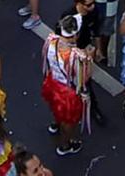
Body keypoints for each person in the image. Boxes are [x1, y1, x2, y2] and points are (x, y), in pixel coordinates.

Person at [40, 14, 89, 158]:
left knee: (55, 107)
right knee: (68, 120)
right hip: (67, 92)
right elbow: (83, 79)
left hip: (53, 82)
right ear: (74, 36)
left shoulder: (51, 41)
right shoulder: (76, 56)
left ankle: (55, 123)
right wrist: (88, 60)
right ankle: (65, 145)